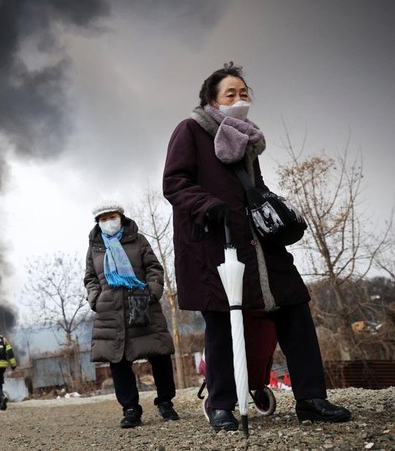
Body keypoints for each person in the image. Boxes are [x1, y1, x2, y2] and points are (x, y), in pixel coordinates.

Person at [162, 62, 351, 432]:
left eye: (244, 92)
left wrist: (273, 207)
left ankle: (311, 399)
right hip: (215, 243)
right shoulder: (190, 131)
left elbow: (249, 190)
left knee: (293, 308)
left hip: (259, 243)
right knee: (221, 324)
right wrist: (206, 205)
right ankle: (221, 405)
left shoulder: (246, 138)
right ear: (211, 100)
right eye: (230, 93)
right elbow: (174, 182)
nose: (239, 98)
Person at [83, 202, 180, 428]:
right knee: (119, 360)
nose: (108, 221)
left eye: (112, 216)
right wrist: (96, 299)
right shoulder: (95, 247)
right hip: (111, 311)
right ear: (98, 222)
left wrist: (152, 293)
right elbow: (90, 278)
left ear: (121, 217)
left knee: (159, 354)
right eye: (103, 218)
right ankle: (130, 409)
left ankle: (165, 402)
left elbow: (154, 267)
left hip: (142, 304)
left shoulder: (138, 240)